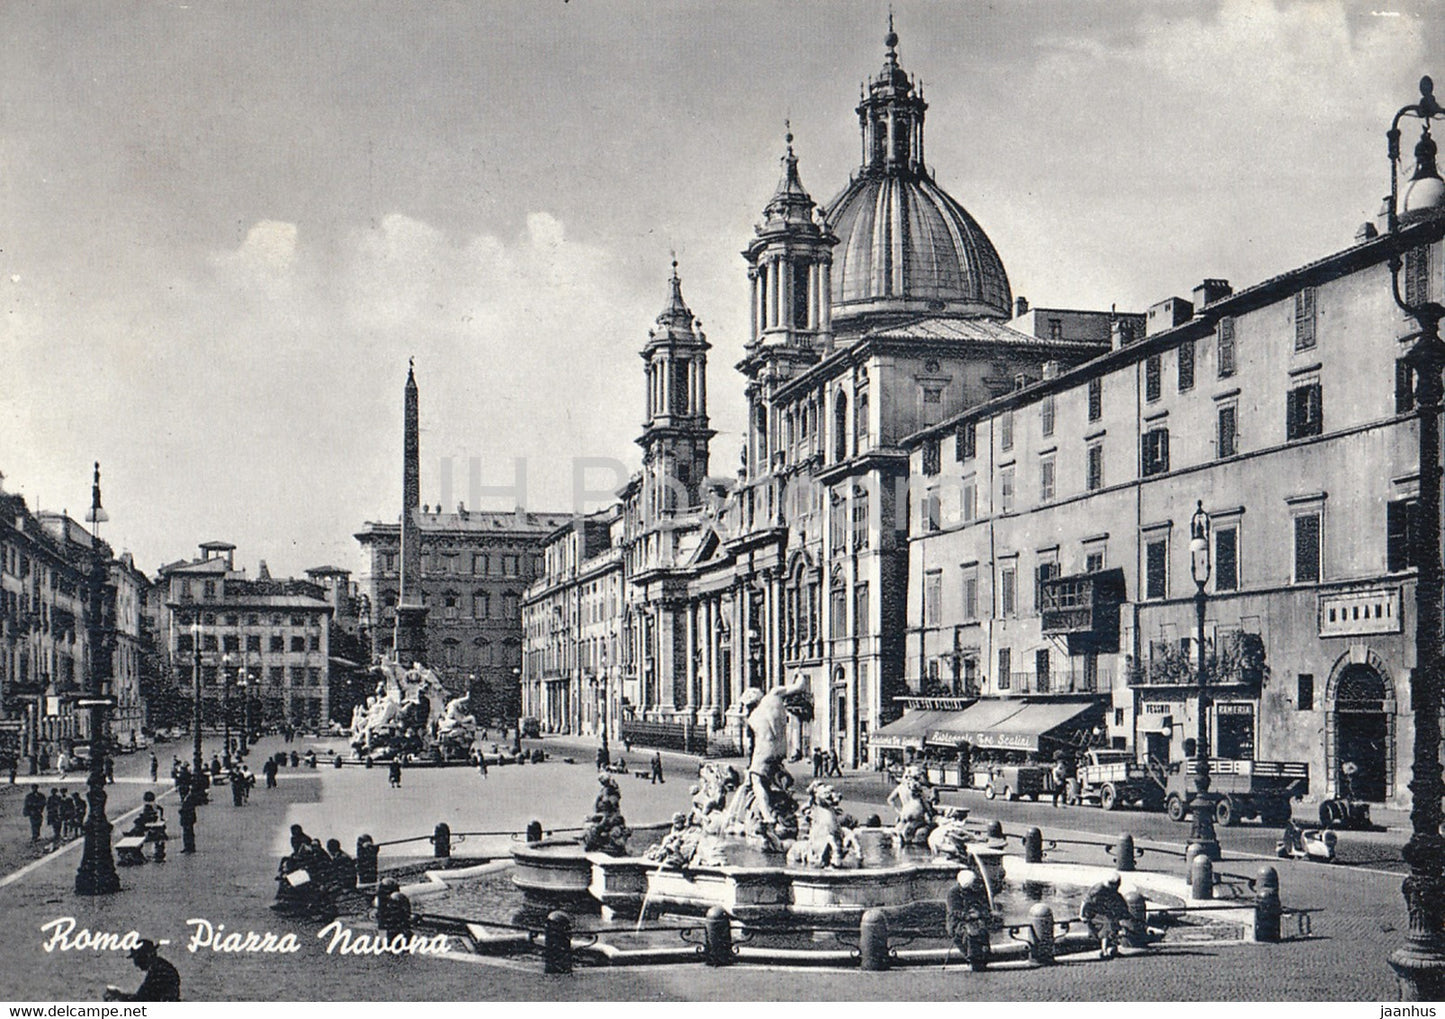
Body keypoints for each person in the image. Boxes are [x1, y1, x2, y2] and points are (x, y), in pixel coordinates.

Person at [104, 939, 180, 1002]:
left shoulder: (159, 973)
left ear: (146, 956)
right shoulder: (161, 968)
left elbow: (141, 1001)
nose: (136, 964)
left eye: (137, 959)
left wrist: (119, 995)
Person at [946, 870, 992, 971]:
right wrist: (969, 916)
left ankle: (983, 956)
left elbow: (984, 906)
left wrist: (980, 913)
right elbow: (954, 911)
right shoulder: (953, 893)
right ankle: (973, 957)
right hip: (958, 922)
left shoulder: (976, 891)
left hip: (975, 920)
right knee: (969, 932)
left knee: (981, 929)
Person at [1080, 872, 1132, 957]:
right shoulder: (1098, 889)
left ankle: (1112, 947)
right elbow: (1085, 902)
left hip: (1104, 912)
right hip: (1095, 913)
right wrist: (1082, 915)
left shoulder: (1112, 890)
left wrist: (1125, 913)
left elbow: (1120, 902)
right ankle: (1104, 949)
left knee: (1113, 922)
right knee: (1108, 924)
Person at [178, 788, 200, 854]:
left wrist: (181, 811)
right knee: (188, 833)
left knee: (187, 833)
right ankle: (188, 846)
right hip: (188, 819)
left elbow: (187, 809)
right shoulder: (188, 798)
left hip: (187, 819)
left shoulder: (189, 799)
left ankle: (189, 847)